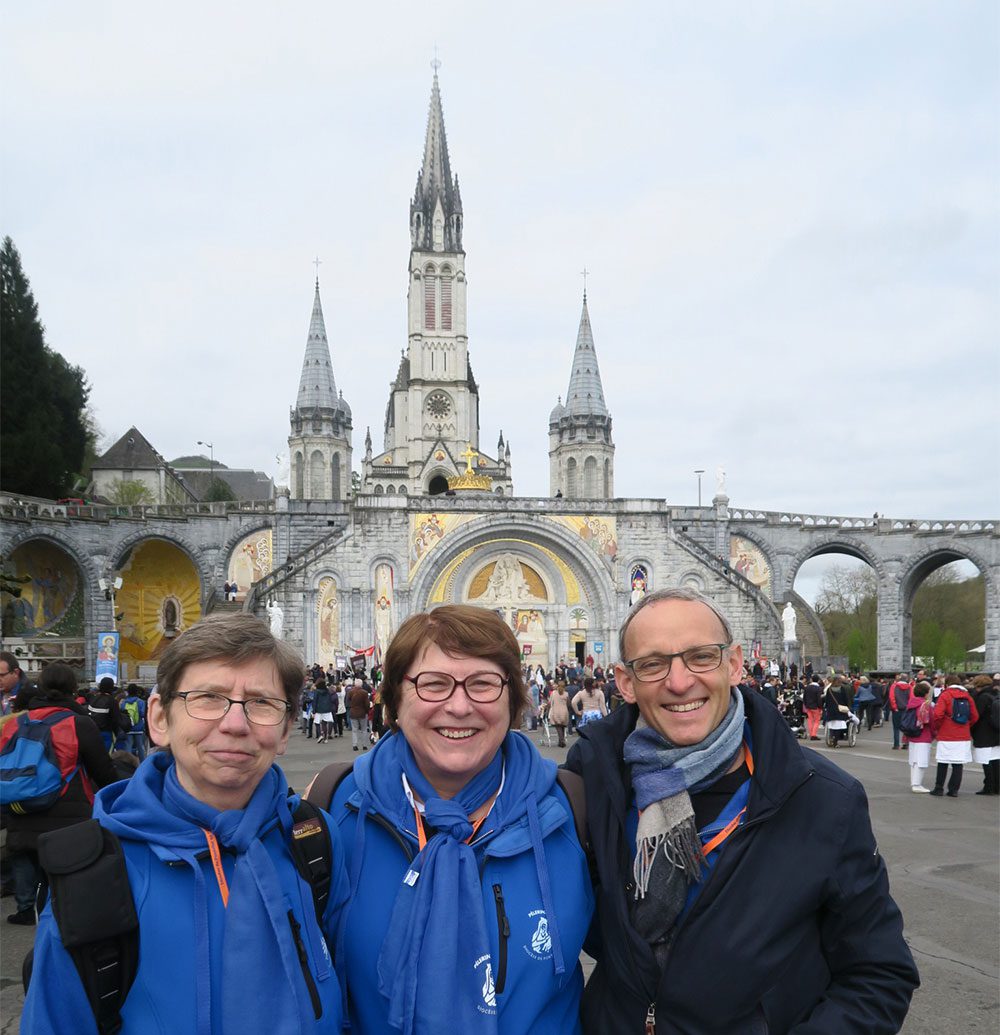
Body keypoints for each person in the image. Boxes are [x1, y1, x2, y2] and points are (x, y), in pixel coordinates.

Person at [565, 587, 918, 1033]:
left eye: (701, 656)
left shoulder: (823, 796)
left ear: (734, 664)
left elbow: (879, 973)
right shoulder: (593, 779)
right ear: (624, 681)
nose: (679, 681)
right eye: (653, 663)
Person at [22, 613, 349, 1034]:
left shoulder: (314, 838)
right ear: (159, 719)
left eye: (262, 703)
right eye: (208, 698)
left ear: (286, 730)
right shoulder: (92, 873)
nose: (235, 724)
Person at [324, 605, 594, 1033]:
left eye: (483, 684)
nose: (459, 706)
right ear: (394, 699)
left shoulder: (571, 810)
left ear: (513, 699)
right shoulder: (335, 809)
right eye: (433, 684)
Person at [2, 663, 119, 926]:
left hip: (20, 809)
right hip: (68, 816)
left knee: (26, 860)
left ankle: (26, 909)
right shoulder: (79, 723)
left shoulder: (15, 723)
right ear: (73, 689)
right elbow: (103, 772)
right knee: (64, 882)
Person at [930, 676, 979, 797]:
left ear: (947, 684)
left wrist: (938, 727)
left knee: (943, 762)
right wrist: (966, 725)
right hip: (962, 736)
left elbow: (938, 715)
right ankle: (954, 790)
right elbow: (974, 716)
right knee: (958, 764)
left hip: (946, 733)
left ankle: (939, 788)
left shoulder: (945, 695)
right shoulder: (967, 696)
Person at [970, 674, 999, 795]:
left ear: (978, 686)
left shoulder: (982, 697)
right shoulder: (995, 695)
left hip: (984, 733)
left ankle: (989, 786)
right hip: (996, 732)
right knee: (995, 761)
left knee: (986, 761)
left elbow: (976, 716)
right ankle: (997, 787)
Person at [904, 682, 934, 793]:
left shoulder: (911, 703)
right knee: (921, 761)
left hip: (912, 735)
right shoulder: (926, 705)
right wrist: (933, 734)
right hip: (923, 735)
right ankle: (917, 784)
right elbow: (931, 721)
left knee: (913, 760)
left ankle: (914, 782)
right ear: (926, 693)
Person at [347, 678, 370, 752]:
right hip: (362, 712)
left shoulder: (350, 692)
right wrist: (367, 711)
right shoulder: (364, 693)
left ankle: (355, 745)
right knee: (363, 729)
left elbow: (348, 701)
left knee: (354, 730)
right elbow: (367, 704)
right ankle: (364, 745)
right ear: (361, 685)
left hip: (353, 712)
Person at [548, 681, 571, 747]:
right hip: (564, 711)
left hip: (556, 711)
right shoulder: (566, 694)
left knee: (558, 726)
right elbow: (569, 704)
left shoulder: (553, 693)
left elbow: (550, 702)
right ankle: (561, 740)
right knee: (563, 726)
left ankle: (561, 740)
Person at [802, 676, 823, 741]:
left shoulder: (807, 687)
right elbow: (819, 699)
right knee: (816, 721)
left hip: (808, 706)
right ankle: (813, 735)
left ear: (811, 680)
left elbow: (804, 697)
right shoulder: (818, 688)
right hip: (815, 706)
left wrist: (805, 704)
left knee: (810, 720)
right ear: (818, 680)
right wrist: (820, 707)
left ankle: (811, 733)